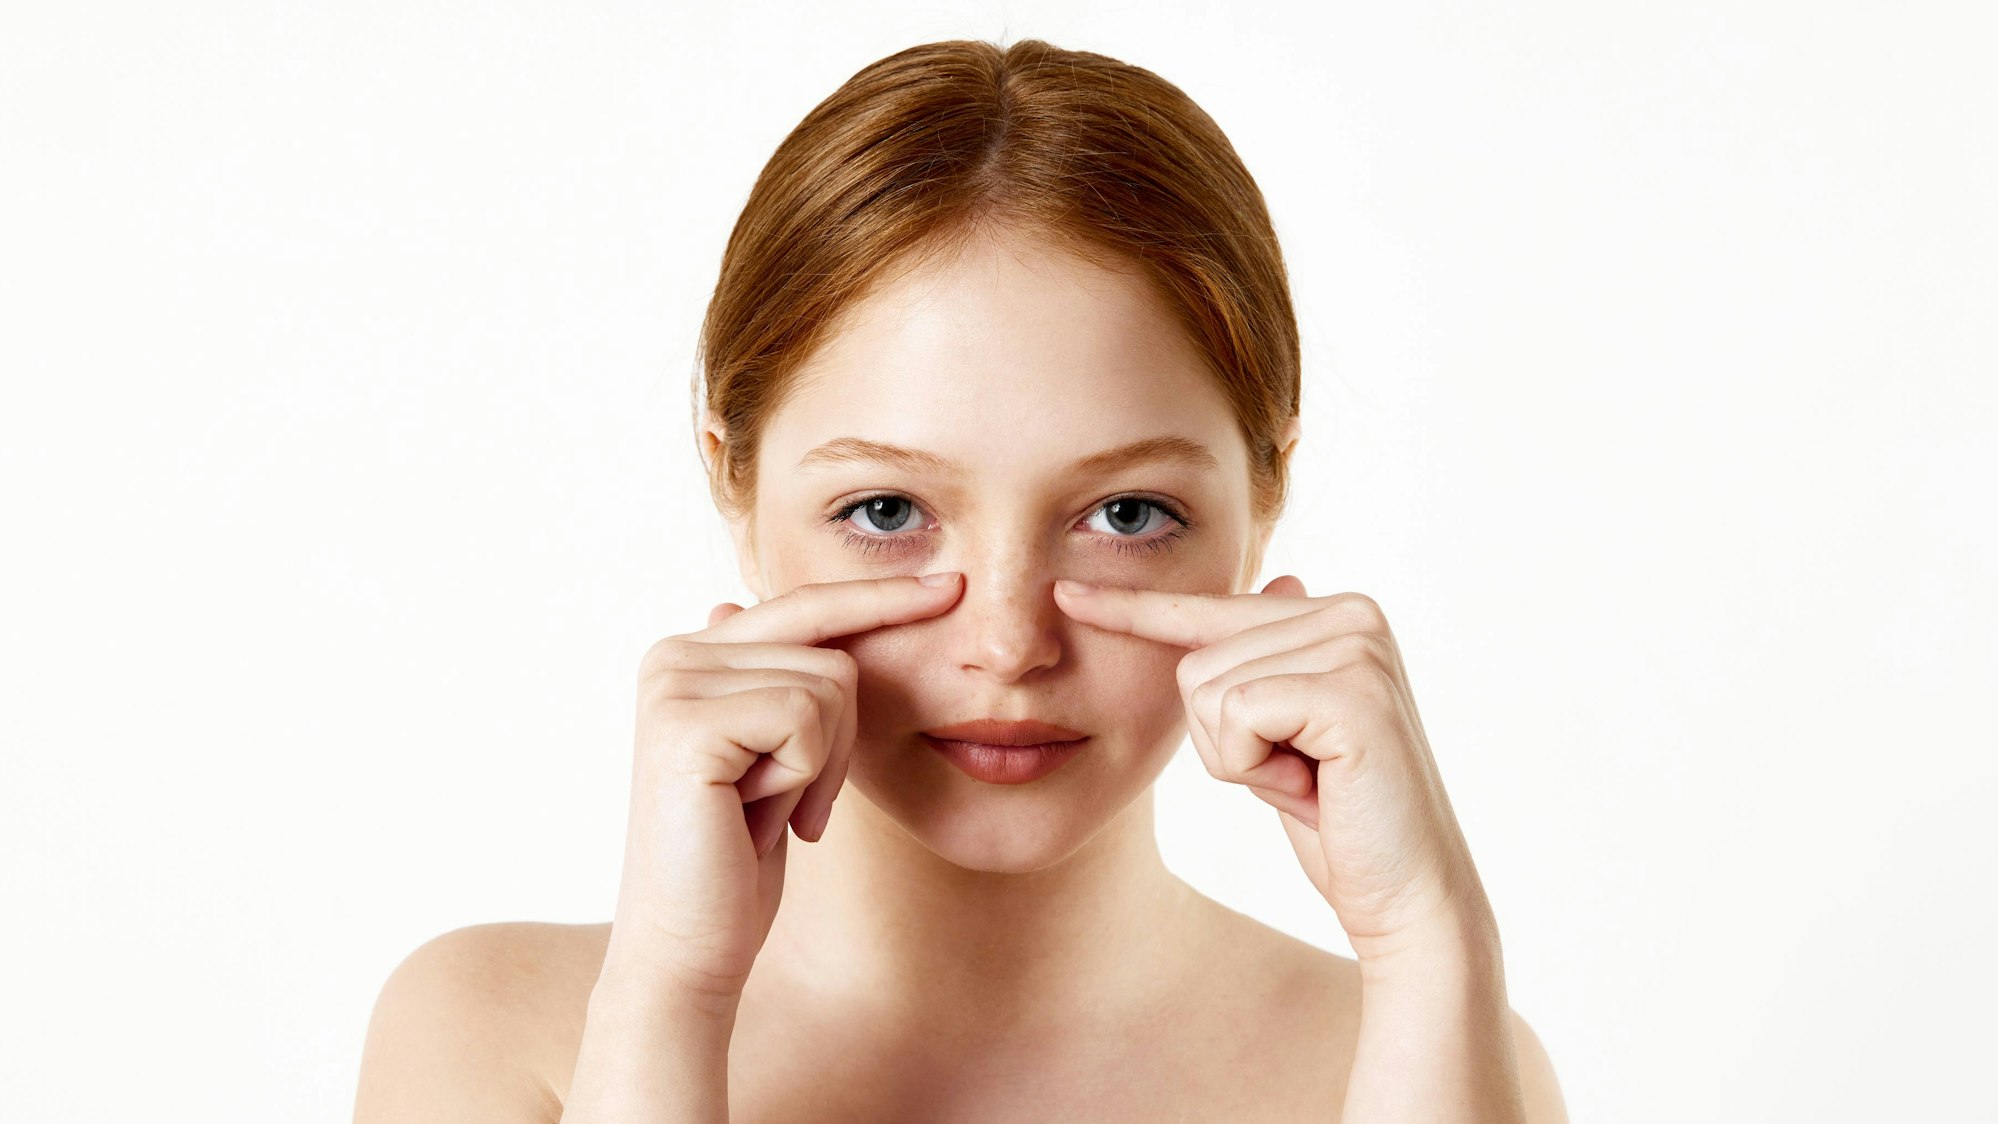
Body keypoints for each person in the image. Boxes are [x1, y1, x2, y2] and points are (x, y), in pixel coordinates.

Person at [353, 37, 1567, 1122]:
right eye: (885, 511)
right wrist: (669, 993)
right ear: (734, 480)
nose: (1008, 642)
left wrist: (1429, 940)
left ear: (1265, 491)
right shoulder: (499, 1035)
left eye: (1127, 514)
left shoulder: (1430, 1048)